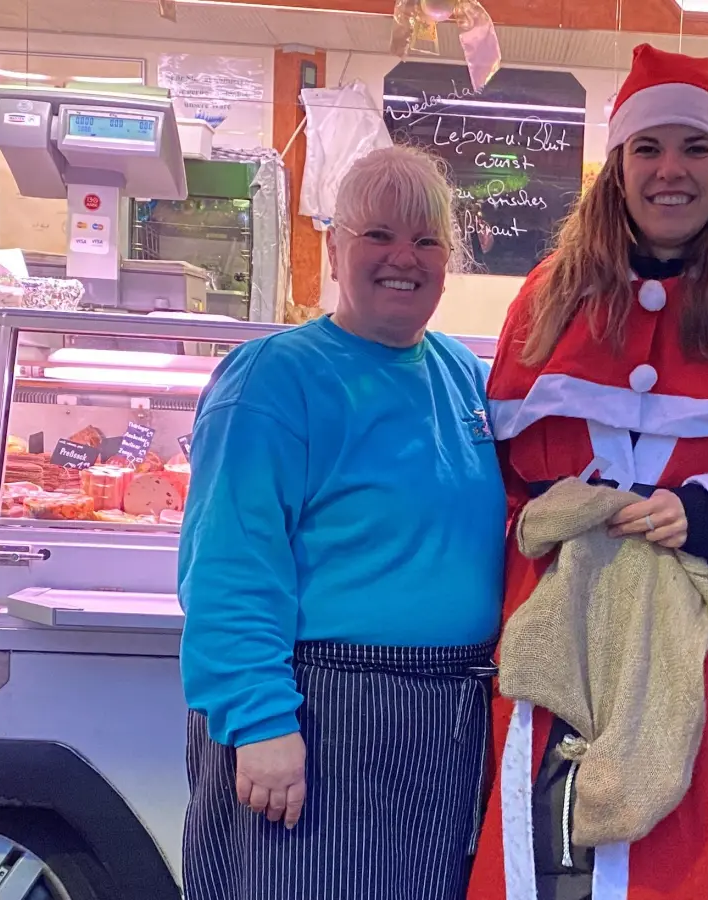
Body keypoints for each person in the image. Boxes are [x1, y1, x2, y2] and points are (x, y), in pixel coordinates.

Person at [468, 44, 708, 900]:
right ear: (617, 166)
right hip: (559, 644)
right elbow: (504, 486)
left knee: (698, 872)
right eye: (647, 147)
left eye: (694, 147)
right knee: (547, 869)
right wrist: (556, 514)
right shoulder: (546, 298)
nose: (669, 170)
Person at [177, 145, 504, 899]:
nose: (404, 258)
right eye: (378, 235)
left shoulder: (465, 377)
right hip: (316, 716)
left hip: (447, 723)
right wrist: (260, 722)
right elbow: (228, 564)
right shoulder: (274, 377)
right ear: (333, 248)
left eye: (425, 240)